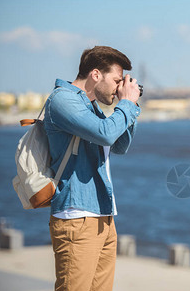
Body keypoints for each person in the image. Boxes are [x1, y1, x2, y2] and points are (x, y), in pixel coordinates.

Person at [44, 46, 141, 291]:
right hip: (77, 217)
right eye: (117, 80)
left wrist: (128, 105)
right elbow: (106, 133)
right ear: (96, 75)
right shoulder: (63, 100)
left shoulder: (90, 105)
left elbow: (119, 145)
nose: (119, 87)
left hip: (103, 217)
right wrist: (127, 104)